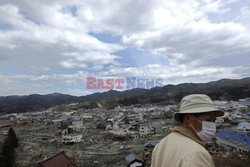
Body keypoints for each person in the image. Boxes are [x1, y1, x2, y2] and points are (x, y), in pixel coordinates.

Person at [151, 94, 224, 167]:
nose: (212, 125)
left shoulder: (162, 144)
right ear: (189, 119)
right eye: (208, 120)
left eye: (213, 120)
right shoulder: (197, 154)